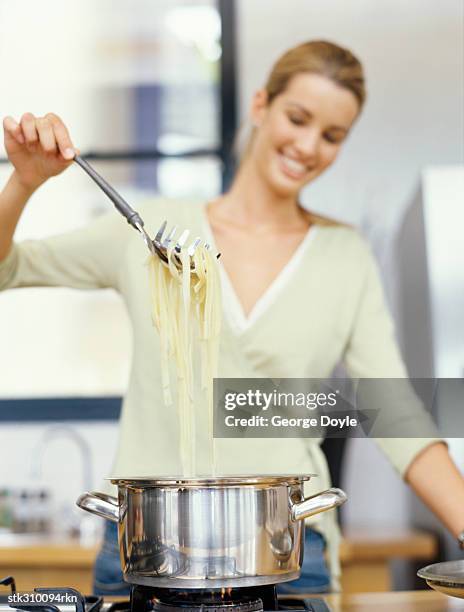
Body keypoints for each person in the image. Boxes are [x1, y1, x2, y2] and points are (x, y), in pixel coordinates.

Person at [1, 40, 463, 595]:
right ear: (260, 105)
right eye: (298, 118)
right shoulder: (150, 230)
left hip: (286, 552)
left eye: (332, 135)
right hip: (149, 548)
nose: (309, 145)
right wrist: (23, 182)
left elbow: (394, 412)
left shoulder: (346, 255)